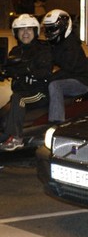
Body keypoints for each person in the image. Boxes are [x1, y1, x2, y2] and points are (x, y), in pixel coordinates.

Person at [0, 15, 53, 150]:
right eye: (21, 29)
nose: (25, 33)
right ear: (16, 33)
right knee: (4, 113)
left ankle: (17, 138)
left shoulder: (43, 49)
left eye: (29, 29)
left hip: (39, 93)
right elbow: (7, 68)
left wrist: (28, 70)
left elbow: (45, 71)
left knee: (18, 99)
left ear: (35, 31)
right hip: (21, 94)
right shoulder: (16, 51)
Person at [42, 9, 88, 123]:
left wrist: (48, 78)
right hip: (69, 78)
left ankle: (57, 122)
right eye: (47, 28)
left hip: (81, 81)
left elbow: (67, 68)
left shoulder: (71, 44)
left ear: (63, 27)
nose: (49, 31)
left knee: (55, 86)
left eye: (52, 28)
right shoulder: (56, 43)